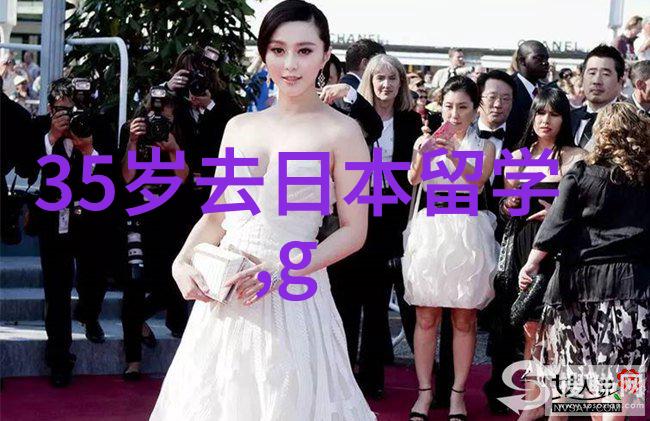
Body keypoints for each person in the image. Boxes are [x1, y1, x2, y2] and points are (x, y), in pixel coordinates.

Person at [150, 1, 375, 419]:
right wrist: (182, 262)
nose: (290, 64)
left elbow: (354, 231)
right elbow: (218, 214)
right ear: (264, 54)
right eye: (278, 50)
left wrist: (282, 271)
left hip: (295, 292)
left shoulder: (345, 133)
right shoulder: (238, 127)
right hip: (227, 297)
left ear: (325, 55)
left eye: (304, 50)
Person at [520, 102, 650, 418]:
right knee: (625, 377)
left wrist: (531, 263)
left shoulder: (580, 174)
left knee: (575, 375)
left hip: (577, 285)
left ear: (599, 134)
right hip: (633, 286)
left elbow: (556, 225)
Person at [403, 76, 497, 421]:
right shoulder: (425, 140)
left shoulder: (485, 145)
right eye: (448, 106)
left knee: (464, 316)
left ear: (475, 110)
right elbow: (413, 179)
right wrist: (423, 153)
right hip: (431, 228)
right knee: (426, 315)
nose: (454, 114)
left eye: (462, 107)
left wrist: (453, 154)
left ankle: (458, 394)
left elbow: (477, 181)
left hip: (468, 229)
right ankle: (424, 393)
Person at [332, 53, 421, 399]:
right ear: (369, 81)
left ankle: (371, 378)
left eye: (393, 78)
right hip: (352, 211)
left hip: (390, 219)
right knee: (346, 300)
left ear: (401, 83)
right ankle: (341, 376)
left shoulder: (411, 122)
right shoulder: (352, 116)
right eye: (379, 78)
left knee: (377, 301)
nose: (386, 85)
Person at [501, 88, 586, 421]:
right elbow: (507, 206)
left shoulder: (577, 157)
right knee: (531, 327)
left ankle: (561, 406)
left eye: (553, 113)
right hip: (525, 247)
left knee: (563, 329)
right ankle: (533, 402)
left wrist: (557, 214)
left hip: (563, 251)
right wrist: (508, 204)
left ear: (564, 118)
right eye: (540, 113)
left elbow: (587, 207)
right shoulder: (517, 157)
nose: (545, 120)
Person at [31, 78, 122, 387]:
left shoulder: (99, 126)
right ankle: (59, 358)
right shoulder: (41, 129)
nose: (69, 116)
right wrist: (52, 138)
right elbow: (28, 167)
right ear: (50, 109)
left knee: (94, 278)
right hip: (53, 219)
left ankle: (89, 313)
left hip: (92, 219)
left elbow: (114, 173)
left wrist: (88, 150)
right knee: (56, 292)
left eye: (74, 109)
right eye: (62, 110)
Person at [119, 87, 191, 380]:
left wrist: (173, 149)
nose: (160, 122)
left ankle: (137, 320)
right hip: (138, 217)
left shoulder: (180, 134)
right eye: (155, 117)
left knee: (171, 284)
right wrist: (133, 142)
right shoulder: (132, 132)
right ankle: (133, 361)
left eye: (166, 118)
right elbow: (126, 177)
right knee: (133, 286)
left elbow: (183, 177)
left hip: (171, 220)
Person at [571, 45, 625, 151]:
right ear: (582, 78)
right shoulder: (567, 119)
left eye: (605, 74)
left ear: (620, 82)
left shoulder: (631, 122)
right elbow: (550, 152)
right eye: (592, 73)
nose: (597, 81)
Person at [506, 40, 551, 151]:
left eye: (546, 59)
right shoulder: (508, 88)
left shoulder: (547, 91)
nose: (545, 63)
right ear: (522, 61)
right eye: (539, 58)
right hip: (510, 157)